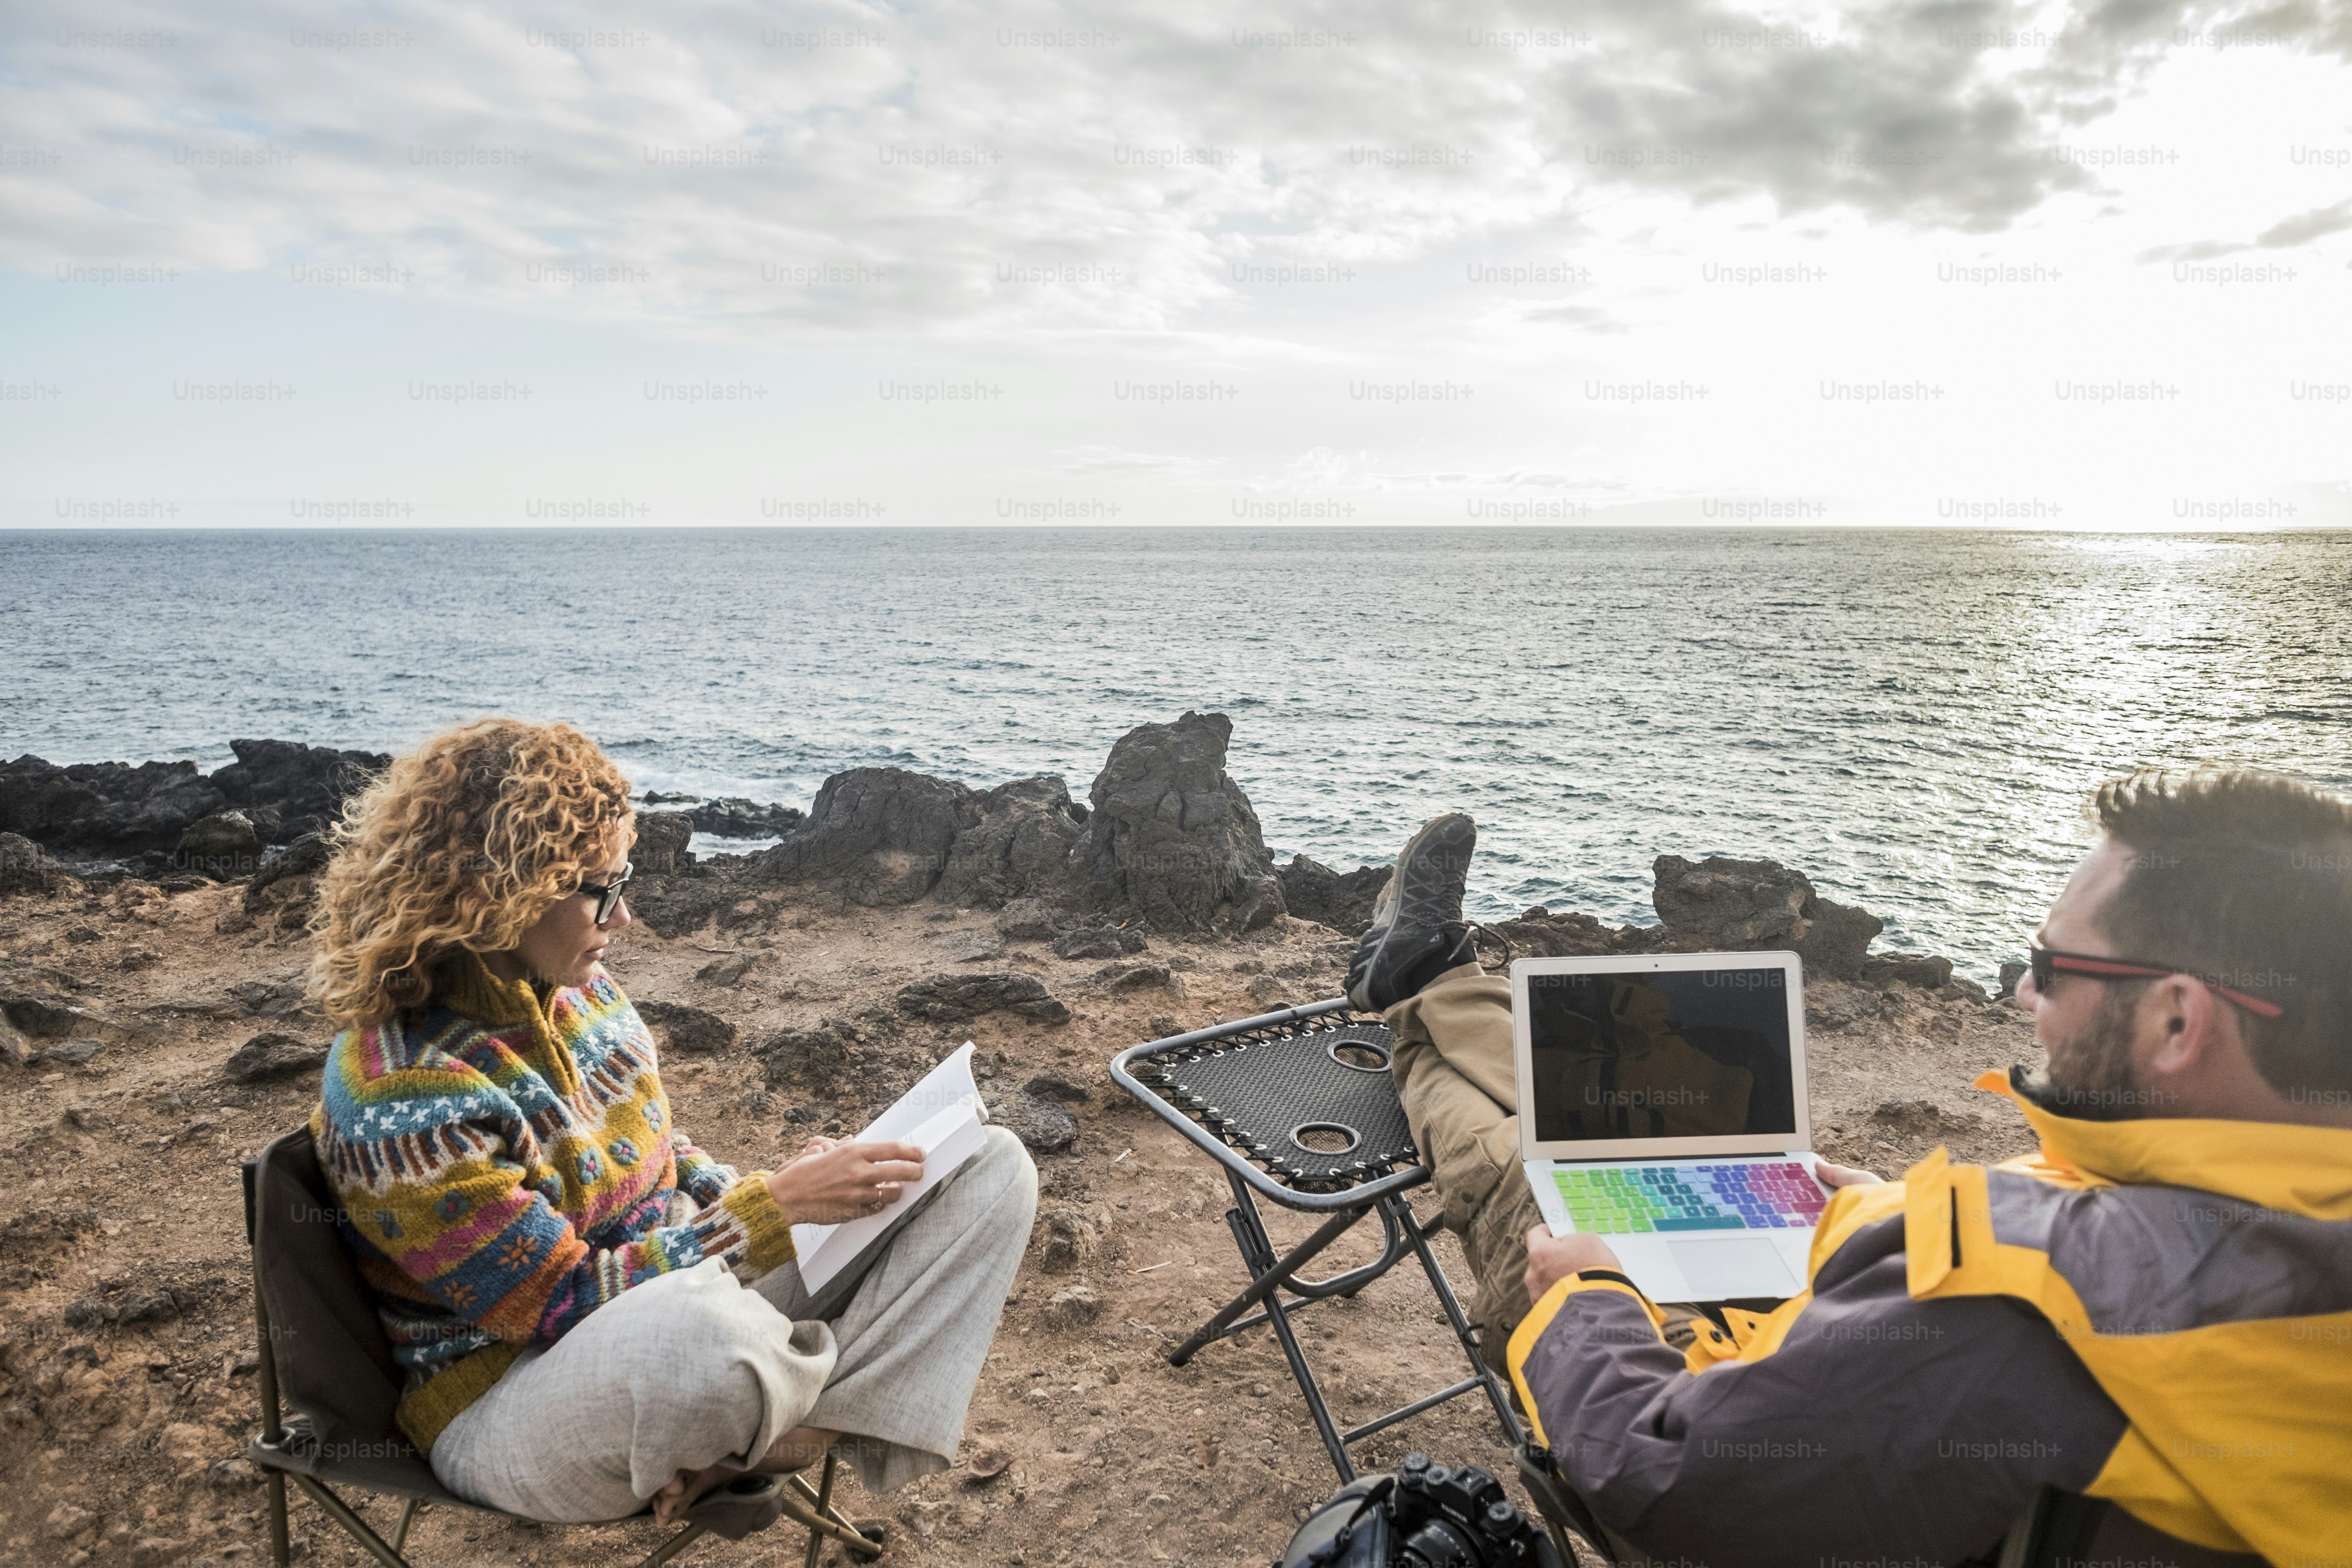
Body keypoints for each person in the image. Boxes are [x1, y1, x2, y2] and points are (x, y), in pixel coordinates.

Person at [1343, 774, 2352, 1566]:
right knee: (1628, 1126)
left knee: (1523, 1168)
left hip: (1702, 1432)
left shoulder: (2014, 1320)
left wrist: (1588, 1296)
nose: (2021, 997)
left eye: (2049, 968)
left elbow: (1660, 1476)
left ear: (2177, 1022)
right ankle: (1438, 977)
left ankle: (1419, 985)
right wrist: (1890, 1220)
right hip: (1855, 1390)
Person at [306, 719, 1037, 1526]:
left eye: (623, 881)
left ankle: (800, 1426)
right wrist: (774, 1210)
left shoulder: (581, 990)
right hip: (514, 1391)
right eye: (601, 889)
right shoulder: (402, 1091)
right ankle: (770, 1401)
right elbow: (558, 1305)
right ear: (503, 890)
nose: (623, 916)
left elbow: (661, 1155)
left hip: (681, 1290)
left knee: (985, 1166)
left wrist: (781, 1191)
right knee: (703, 1339)